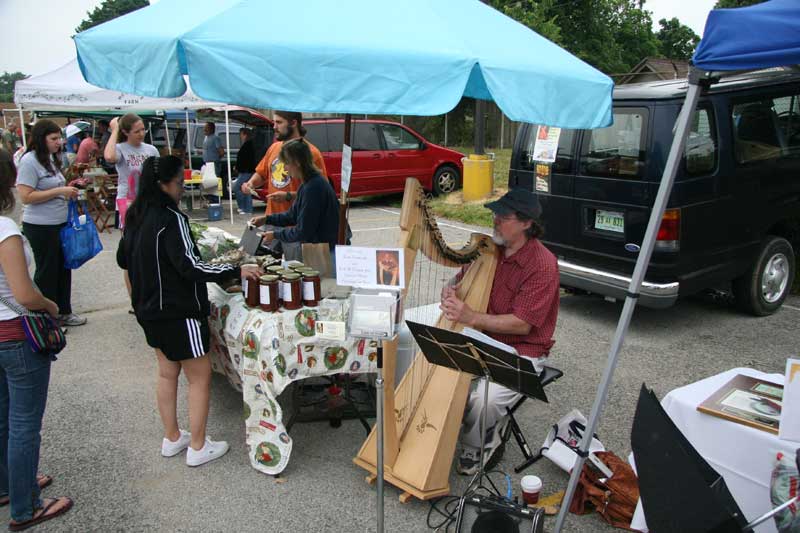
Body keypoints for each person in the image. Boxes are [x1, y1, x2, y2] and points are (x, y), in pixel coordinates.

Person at [117, 155, 261, 467]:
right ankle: (197, 446)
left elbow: (123, 261)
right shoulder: (172, 220)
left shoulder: (134, 216)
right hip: (178, 312)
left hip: (148, 310)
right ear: (162, 185)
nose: (182, 189)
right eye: (179, 184)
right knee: (200, 376)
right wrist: (235, 267)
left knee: (167, 372)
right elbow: (191, 266)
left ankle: (172, 437)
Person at [439, 188, 559, 475]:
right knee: (431, 363)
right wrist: (450, 286)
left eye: (502, 216)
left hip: (522, 350)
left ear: (526, 223)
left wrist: (471, 316)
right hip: (480, 338)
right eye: (494, 213)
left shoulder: (542, 265)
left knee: (484, 400)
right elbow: (460, 277)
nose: (494, 220)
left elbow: (522, 324)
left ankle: (482, 442)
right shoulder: (490, 248)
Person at [0, 148, 74, 531]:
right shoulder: (6, 231)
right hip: (16, 334)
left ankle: (9, 486)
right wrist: (50, 304)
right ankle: (26, 505)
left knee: (3, 416)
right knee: (24, 422)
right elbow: (24, 294)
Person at [15, 120, 86, 328]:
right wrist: (59, 192)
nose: (59, 142)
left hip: (59, 222)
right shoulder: (29, 161)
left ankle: (64, 311)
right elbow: (26, 196)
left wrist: (70, 188)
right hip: (40, 226)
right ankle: (45, 317)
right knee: (47, 271)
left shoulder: (51, 160)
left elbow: (54, 186)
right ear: (41, 139)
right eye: (53, 139)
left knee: (64, 268)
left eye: (59, 138)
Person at [242, 111, 328, 259]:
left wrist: (288, 196)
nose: (274, 127)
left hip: (296, 226)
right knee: (267, 267)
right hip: (271, 220)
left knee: (296, 272)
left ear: (294, 123)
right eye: (274, 122)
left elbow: (321, 192)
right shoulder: (274, 148)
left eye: (279, 122)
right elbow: (262, 173)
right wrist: (250, 183)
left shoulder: (311, 152)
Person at [250, 139, 339, 252]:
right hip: (319, 248)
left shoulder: (313, 187)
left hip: (325, 251)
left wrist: (275, 235)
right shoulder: (307, 183)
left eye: (286, 163)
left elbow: (303, 231)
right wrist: (266, 219)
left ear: (297, 162)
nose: (285, 168)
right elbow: (292, 215)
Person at [103, 113, 159, 229]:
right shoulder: (120, 148)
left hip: (148, 201)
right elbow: (109, 157)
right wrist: (115, 130)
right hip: (126, 201)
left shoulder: (151, 149)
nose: (141, 134)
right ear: (125, 132)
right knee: (129, 239)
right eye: (137, 131)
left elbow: (159, 173)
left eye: (143, 129)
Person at [233, 128, 255, 215]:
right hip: (245, 170)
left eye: (241, 134)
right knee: (245, 188)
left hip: (246, 171)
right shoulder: (248, 144)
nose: (240, 136)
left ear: (245, 135)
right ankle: (246, 208)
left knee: (238, 188)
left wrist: (238, 167)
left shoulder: (248, 145)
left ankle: (245, 208)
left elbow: (245, 159)